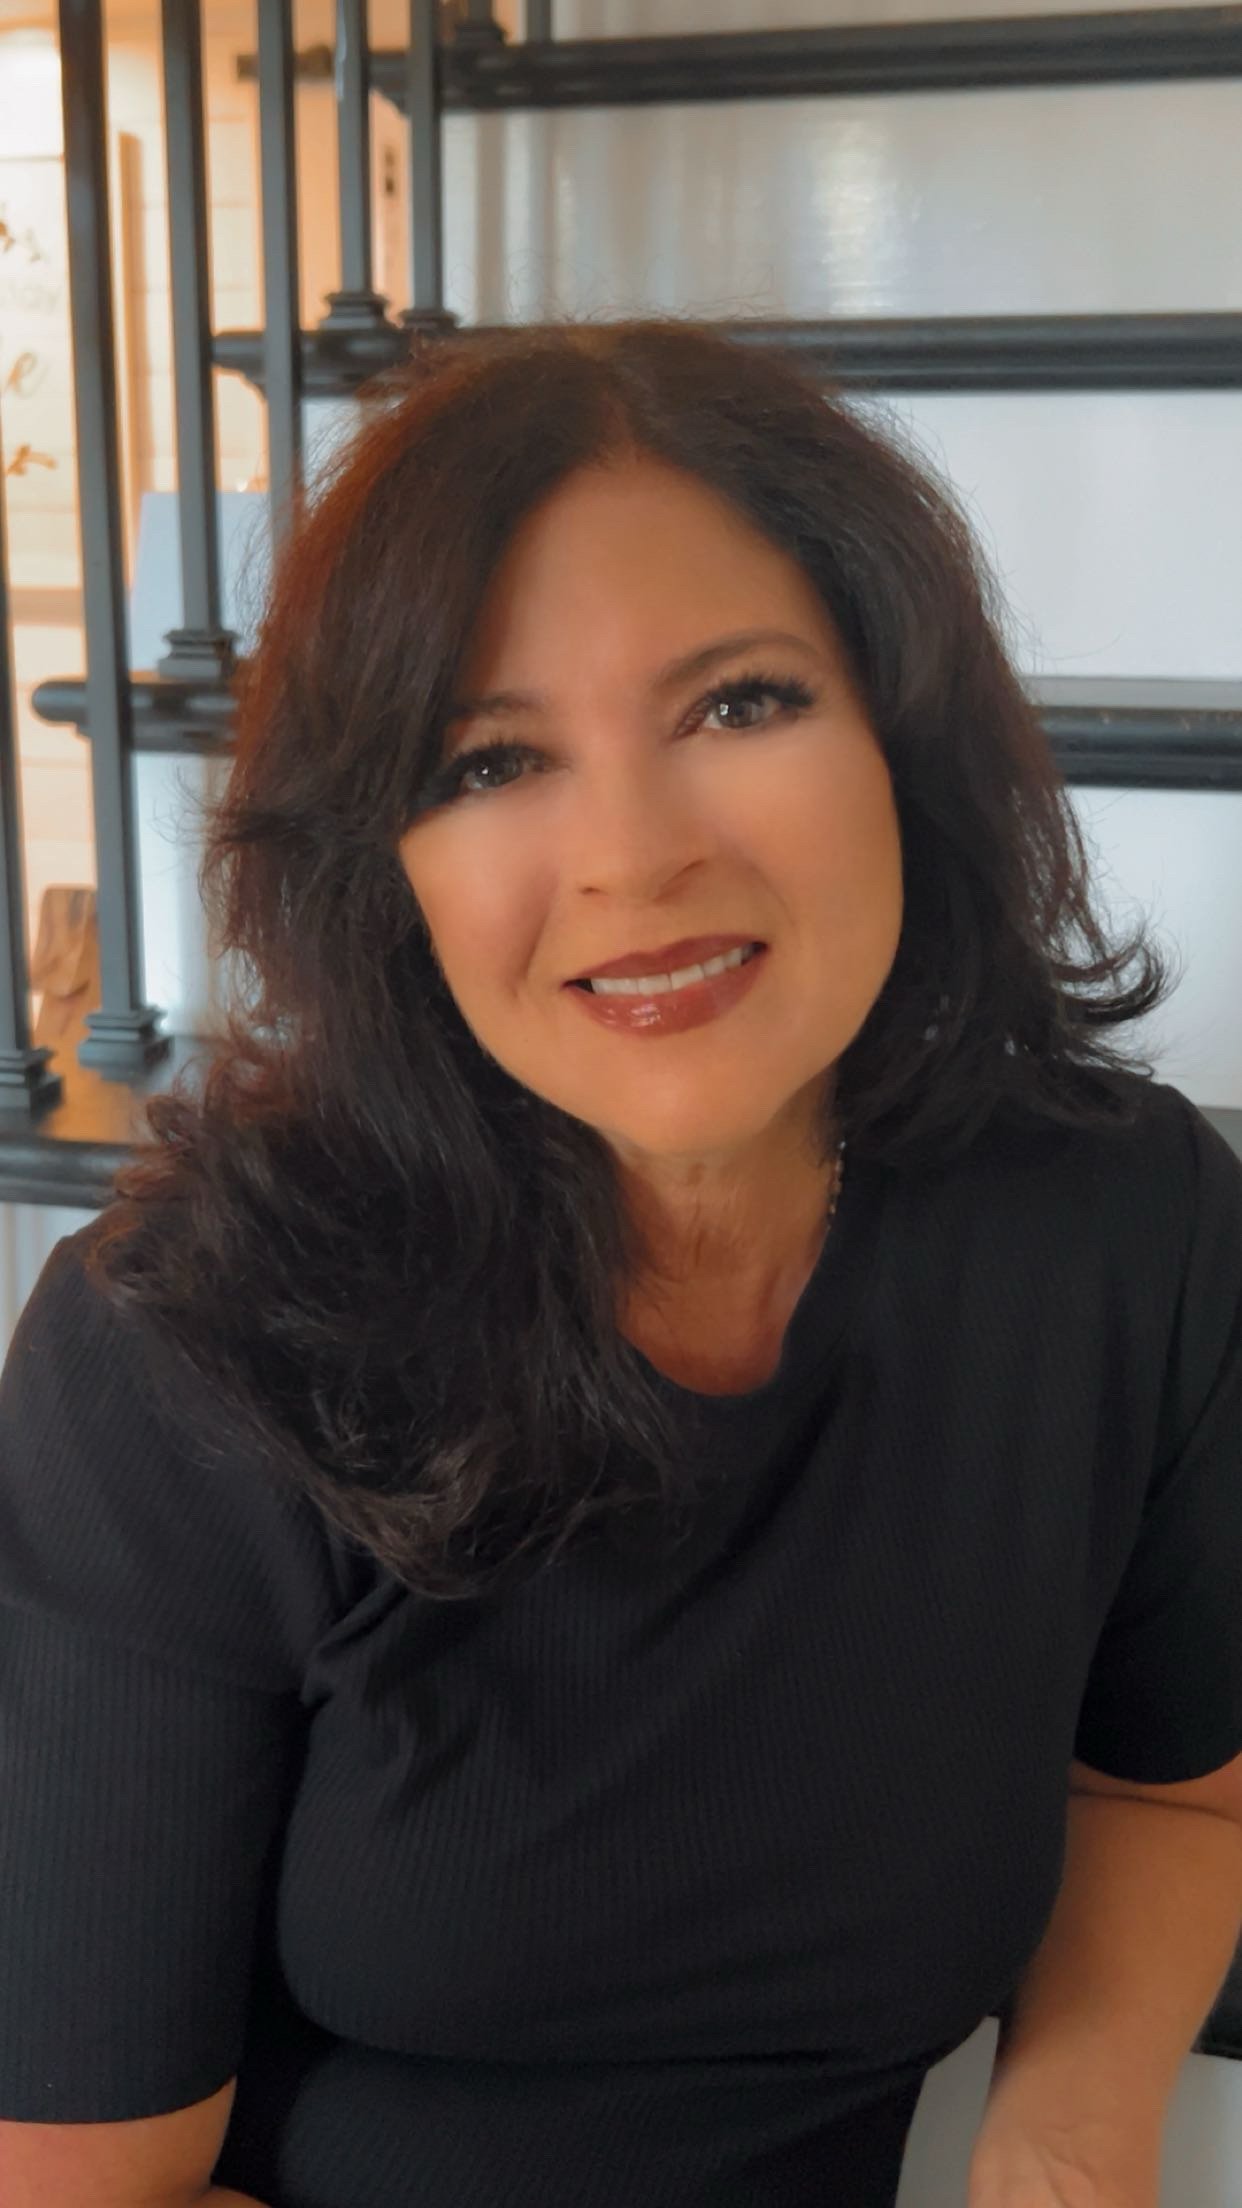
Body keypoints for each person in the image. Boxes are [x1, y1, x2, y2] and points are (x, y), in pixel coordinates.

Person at [1, 316, 1239, 2208]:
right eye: (490, 759)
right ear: (382, 863)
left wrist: (1066, 2140)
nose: (631, 856)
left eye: (739, 704)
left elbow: (1165, 1786)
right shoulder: (179, 1357)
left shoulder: (1118, 1229)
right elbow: (88, 2188)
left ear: (899, 735)